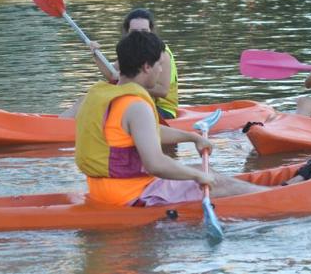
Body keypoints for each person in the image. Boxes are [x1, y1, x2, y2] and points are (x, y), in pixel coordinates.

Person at [75, 31, 269, 206]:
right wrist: (198, 176)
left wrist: (193, 137)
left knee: (201, 170)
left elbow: (147, 132)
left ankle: (270, 192)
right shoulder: (135, 105)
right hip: (130, 194)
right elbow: (155, 164)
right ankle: (276, 197)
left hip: (103, 191)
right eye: (159, 64)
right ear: (146, 67)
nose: (161, 70)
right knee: (216, 181)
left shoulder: (105, 94)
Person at [61, 9, 178, 120]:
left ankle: (62, 127)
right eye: (134, 32)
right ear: (127, 32)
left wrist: (128, 84)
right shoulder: (131, 49)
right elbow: (113, 75)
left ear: (151, 31)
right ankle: (61, 124)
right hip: (139, 100)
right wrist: (96, 54)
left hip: (163, 112)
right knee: (88, 97)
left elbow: (163, 91)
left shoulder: (162, 54)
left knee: (108, 102)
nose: (139, 36)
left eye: (144, 31)